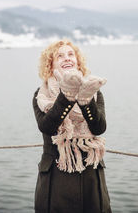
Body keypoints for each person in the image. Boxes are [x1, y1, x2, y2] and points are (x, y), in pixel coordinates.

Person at [32, 39, 112, 213]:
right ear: (50, 65)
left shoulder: (94, 92)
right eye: (60, 56)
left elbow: (99, 127)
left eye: (70, 54)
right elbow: (47, 127)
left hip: (91, 177)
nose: (67, 58)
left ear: (78, 61)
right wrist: (66, 96)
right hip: (56, 179)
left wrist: (85, 101)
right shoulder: (41, 96)